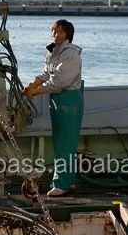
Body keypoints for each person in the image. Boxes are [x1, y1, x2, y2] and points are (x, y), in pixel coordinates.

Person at [23, 19, 84, 197]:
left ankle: (61, 185)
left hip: (69, 101)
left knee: (63, 144)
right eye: (54, 31)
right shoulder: (54, 52)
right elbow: (46, 73)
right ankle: (69, 181)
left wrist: (37, 91)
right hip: (59, 100)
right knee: (65, 142)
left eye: (61, 32)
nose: (56, 35)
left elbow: (59, 82)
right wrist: (33, 84)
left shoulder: (70, 55)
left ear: (68, 36)